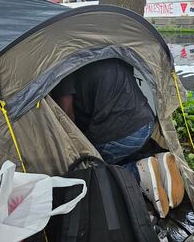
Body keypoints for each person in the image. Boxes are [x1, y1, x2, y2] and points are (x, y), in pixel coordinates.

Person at [51, 58, 184, 218]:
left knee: (89, 171)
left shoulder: (60, 66)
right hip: (146, 123)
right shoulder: (105, 49)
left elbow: (66, 115)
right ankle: (160, 164)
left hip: (119, 134)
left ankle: (138, 173)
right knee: (116, 149)